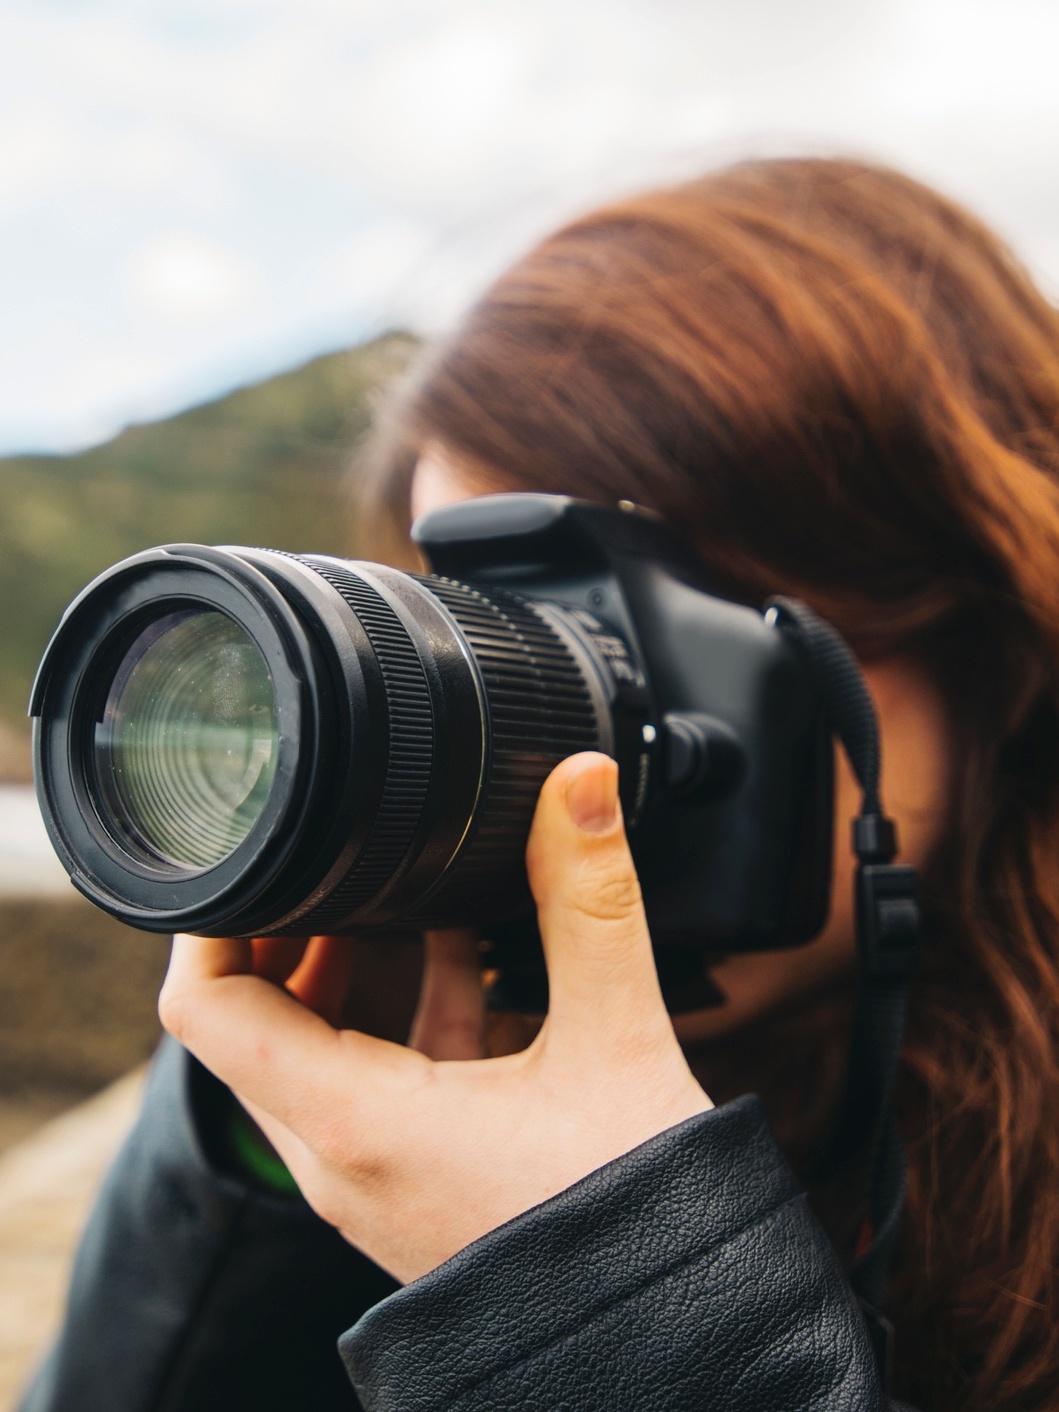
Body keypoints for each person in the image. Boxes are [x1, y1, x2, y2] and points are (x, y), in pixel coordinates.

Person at [20, 157, 1059, 1412]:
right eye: (483, 615)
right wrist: (262, 1158)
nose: (553, 712)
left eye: (674, 616)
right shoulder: (441, 1076)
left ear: (997, 654)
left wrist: (604, 1288)